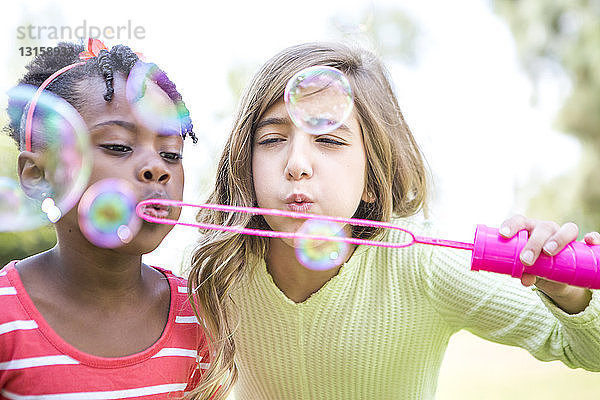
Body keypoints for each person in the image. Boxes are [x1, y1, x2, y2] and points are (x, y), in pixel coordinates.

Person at [186, 42, 600, 400]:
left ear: (372, 178)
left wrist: (568, 293)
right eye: (273, 139)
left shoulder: (423, 266)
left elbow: (587, 350)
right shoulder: (219, 269)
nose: (296, 165)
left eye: (328, 140)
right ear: (246, 160)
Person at [0, 39, 221, 400]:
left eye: (171, 153)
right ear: (38, 175)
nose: (156, 168)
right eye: (118, 146)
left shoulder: (198, 315)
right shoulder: (5, 317)